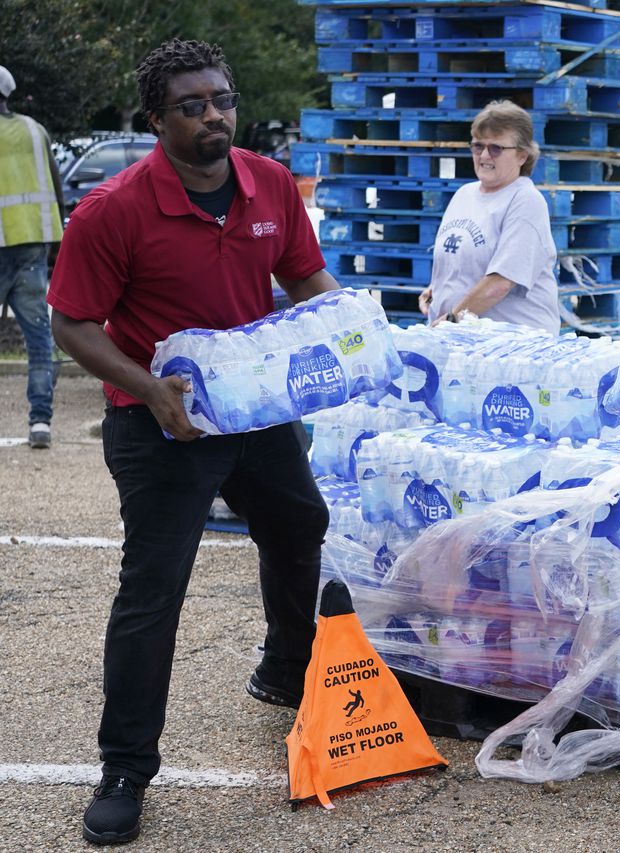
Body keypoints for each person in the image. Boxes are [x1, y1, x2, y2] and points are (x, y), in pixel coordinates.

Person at [46, 39, 338, 846]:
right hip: (159, 422)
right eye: (192, 105)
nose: (214, 115)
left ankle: (284, 670)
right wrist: (146, 388)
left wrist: (349, 332)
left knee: (298, 523)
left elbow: (306, 275)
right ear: (156, 120)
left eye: (222, 99)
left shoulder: (270, 182)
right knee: (154, 589)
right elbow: (71, 319)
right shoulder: (115, 209)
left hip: (255, 410)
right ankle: (124, 767)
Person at [417, 100, 560, 333]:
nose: (484, 155)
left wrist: (451, 320)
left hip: (511, 349)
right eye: (477, 146)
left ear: (522, 156)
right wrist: (438, 290)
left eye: (496, 148)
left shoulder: (525, 200)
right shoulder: (464, 194)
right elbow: (463, 258)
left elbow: (501, 282)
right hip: (463, 341)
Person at [0, 64, 65, 449]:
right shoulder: (33, 129)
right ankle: (40, 423)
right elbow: (55, 186)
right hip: (31, 245)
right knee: (39, 339)